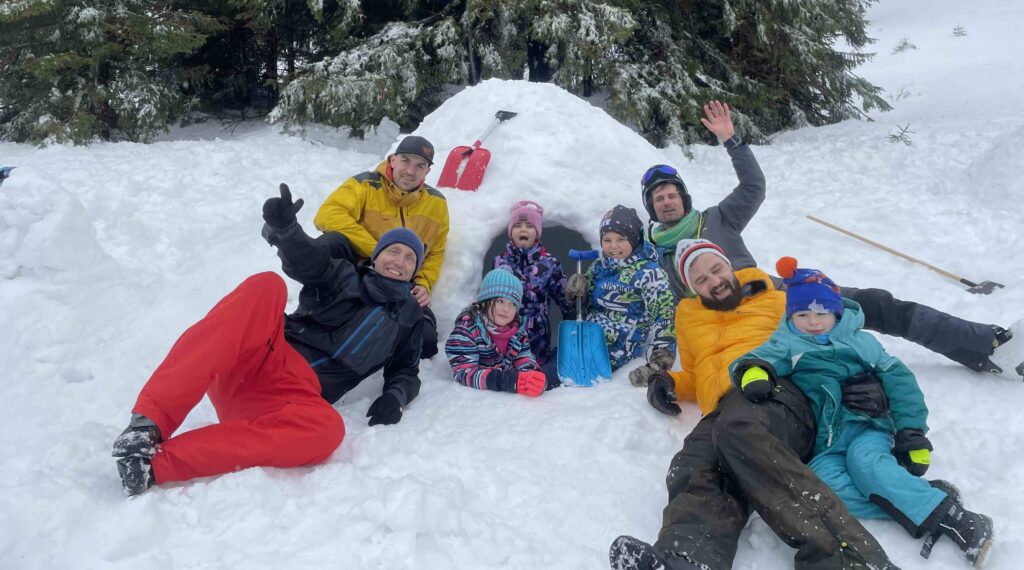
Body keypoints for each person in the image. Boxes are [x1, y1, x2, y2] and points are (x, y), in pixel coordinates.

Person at [635, 100, 1017, 379]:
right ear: (651, 209)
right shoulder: (655, 255)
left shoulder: (717, 219)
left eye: (671, 194)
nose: (666, 201)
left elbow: (753, 186)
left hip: (778, 294)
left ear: (683, 198)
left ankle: (983, 343)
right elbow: (668, 309)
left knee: (875, 303)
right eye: (658, 198)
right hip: (740, 329)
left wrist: (731, 140)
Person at [111, 184, 425, 496]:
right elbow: (310, 262)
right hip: (261, 357)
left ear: (414, 271)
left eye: (410, 258)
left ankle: (151, 467)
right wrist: (287, 231)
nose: (399, 261)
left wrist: (395, 396)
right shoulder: (344, 275)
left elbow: (407, 369)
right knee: (268, 285)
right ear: (376, 256)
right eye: (393, 251)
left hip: (287, 400)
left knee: (329, 430)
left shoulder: (410, 318)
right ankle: (147, 424)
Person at [610, 239, 898, 570]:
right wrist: (670, 382)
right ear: (692, 288)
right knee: (693, 463)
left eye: (716, 269)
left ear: (728, 266)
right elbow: (695, 372)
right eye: (701, 279)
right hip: (722, 411)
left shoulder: (774, 299)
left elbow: (831, 333)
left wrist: (865, 380)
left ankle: (852, 559)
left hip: (777, 392)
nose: (714, 281)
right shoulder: (688, 317)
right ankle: (687, 559)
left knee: (739, 428)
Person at [730, 256, 994, 568]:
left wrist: (911, 432)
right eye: (802, 314)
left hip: (866, 426)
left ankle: (958, 519)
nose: (813, 321)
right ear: (791, 315)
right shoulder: (788, 341)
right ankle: (924, 497)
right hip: (826, 441)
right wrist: (754, 375)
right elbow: (755, 359)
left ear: (835, 312)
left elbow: (900, 381)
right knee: (821, 488)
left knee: (865, 463)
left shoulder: (860, 342)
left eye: (821, 313)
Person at [314, 135, 449, 358]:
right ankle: (323, 306)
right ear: (392, 160)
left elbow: (436, 251)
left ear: (427, 171)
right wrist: (378, 251)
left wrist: (424, 284)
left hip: (401, 279)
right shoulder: (365, 185)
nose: (410, 171)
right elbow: (327, 215)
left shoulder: (437, 203)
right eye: (405, 160)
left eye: (420, 166)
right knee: (331, 243)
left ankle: (381, 338)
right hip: (359, 272)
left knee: (425, 342)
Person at [566, 205, 675, 372]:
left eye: (621, 239)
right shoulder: (598, 267)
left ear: (634, 239)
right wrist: (578, 295)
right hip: (586, 342)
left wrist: (659, 364)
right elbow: (586, 309)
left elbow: (665, 316)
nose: (613, 246)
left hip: (618, 354)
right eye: (607, 240)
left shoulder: (649, 274)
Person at [445, 269, 554, 396]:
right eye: (500, 301)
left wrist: (533, 377)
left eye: (513, 304)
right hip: (476, 400)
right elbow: (464, 373)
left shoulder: (517, 333)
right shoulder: (466, 331)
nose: (506, 309)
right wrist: (508, 381)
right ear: (484, 302)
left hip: (506, 399)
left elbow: (524, 359)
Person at [493, 200, 575, 366]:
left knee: (534, 374)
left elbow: (565, 301)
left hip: (537, 342)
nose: (523, 229)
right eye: (518, 226)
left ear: (537, 233)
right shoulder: (499, 262)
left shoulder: (549, 264)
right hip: (504, 339)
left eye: (529, 226)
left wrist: (575, 321)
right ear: (510, 232)